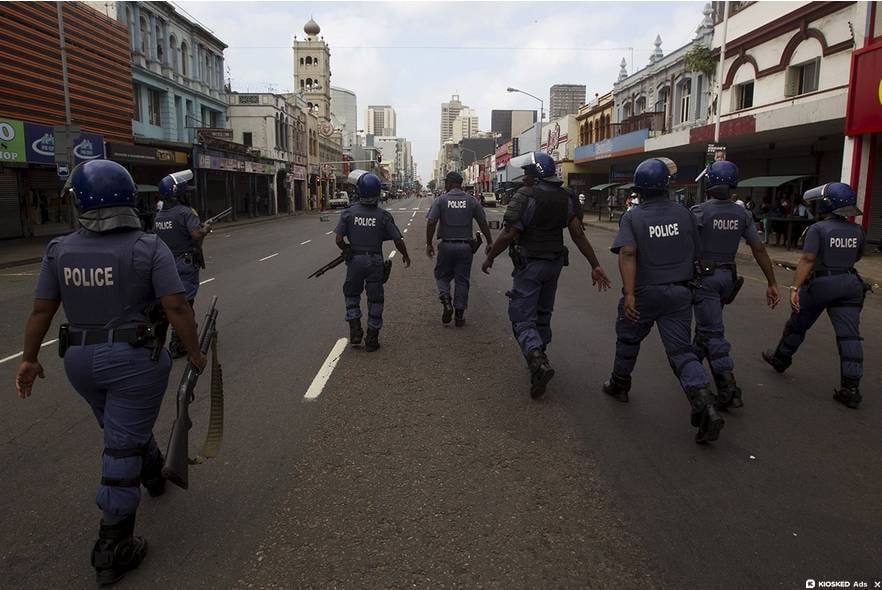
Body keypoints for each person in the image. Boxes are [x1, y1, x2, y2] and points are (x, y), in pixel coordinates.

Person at [14, 160, 205, 585]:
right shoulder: (148, 246)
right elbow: (176, 306)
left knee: (121, 429)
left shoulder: (58, 250)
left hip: (79, 362)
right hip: (134, 360)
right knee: (121, 445)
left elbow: (42, 310)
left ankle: (154, 474)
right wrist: (193, 352)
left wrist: (29, 359)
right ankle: (113, 543)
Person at [602, 157, 725, 444]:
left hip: (646, 292)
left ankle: (620, 384)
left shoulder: (633, 217)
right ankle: (704, 403)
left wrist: (630, 293)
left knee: (628, 339)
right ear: (666, 185)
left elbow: (628, 253)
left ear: (639, 189)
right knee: (682, 352)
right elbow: (697, 251)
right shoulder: (685, 213)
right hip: (680, 293)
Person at [482, 151, 611, 399]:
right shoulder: (566, 197)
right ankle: (540, 355)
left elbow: (509, 233)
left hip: (530, 264)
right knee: (543, 315)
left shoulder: (526, 195)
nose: (525, 176)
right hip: (553, 264)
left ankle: (537, 359)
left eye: (528, 172)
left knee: (522, 318)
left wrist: (489, 258)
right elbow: (578, 234)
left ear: (535, 174)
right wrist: (594, 264)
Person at [763, 182, 868, 408]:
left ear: (828, 204)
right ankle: (851, 387)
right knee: (849, 336)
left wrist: (794, 288)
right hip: (850, 283)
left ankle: (781, 359)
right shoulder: (858, 230)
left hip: (821, 284)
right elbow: (858, 257)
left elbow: (808, 260)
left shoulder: (818, 229)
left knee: (798, 324)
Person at [690, 161, 781, 409]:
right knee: (709, 324)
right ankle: (690, 365)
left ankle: (728, 387)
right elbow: (759, 248)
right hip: (727, 278)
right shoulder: (742, 214)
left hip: (705, 279)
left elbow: (687, 246)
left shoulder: (699, 211)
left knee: (713, 332)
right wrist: (772, 282)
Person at [336, 170, 411, 351]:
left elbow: (339, 240)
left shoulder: (348, 213)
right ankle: (372, 337)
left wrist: (346, 249)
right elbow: (398, 240)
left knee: (352, 295)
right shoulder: (383, 216)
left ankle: (355, 329)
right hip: (375, 261)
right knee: (375, 300)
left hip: (355, 260)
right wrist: (405, 255)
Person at [153, 170, 210, 359]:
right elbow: (195, 236)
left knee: (167, 305)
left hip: (165, 264)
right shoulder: (186, 212)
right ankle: (181, 343)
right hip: (185, 264)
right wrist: (205, 230)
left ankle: (157, 345)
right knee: (185, 304)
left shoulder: (160, 215)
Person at [425, 171, 493, 326]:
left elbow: (431, 222)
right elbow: (483, 223)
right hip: (465, 247)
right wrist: (489, 241)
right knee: (462, 280)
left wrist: (429, 243)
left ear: (449, 183)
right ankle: (459, 315)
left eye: (446, 182)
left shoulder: (441, 200)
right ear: (461, 184)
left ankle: (446, 300)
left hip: (446, 246)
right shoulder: (472, 200)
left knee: (442, 276)